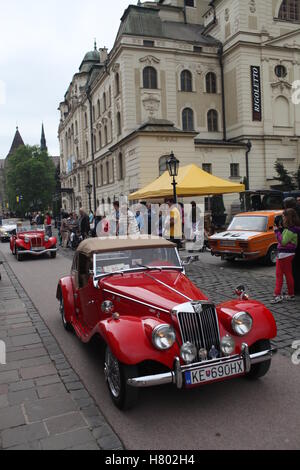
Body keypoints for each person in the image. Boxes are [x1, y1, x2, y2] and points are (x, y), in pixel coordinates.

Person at [272, 208, 300, 303]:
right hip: (288, 254)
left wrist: (276, 231)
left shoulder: (290, 230)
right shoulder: (293, 229)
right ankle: (291, 294)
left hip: (284, 254)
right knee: (288, 274)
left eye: (283, 216)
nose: (282, 218)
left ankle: (277, 295)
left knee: (279, 275)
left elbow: (283, 242)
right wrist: (280, 229)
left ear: (287, 218)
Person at [284, 197, 300, 294]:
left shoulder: (291, 213)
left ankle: (296, 288)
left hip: (295, 244)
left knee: (294, 267)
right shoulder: (295, 211)